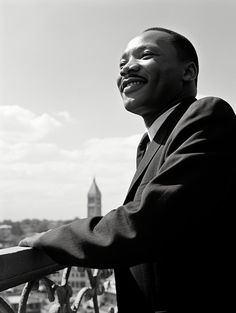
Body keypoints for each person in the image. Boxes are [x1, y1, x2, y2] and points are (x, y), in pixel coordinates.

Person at [19, 27, 236, 312]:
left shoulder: (207, 115)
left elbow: (147, 224)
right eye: (121, 64)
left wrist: (49, 239)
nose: (127, 68)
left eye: (145, 56)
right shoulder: (149, 143)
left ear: (188, 72)